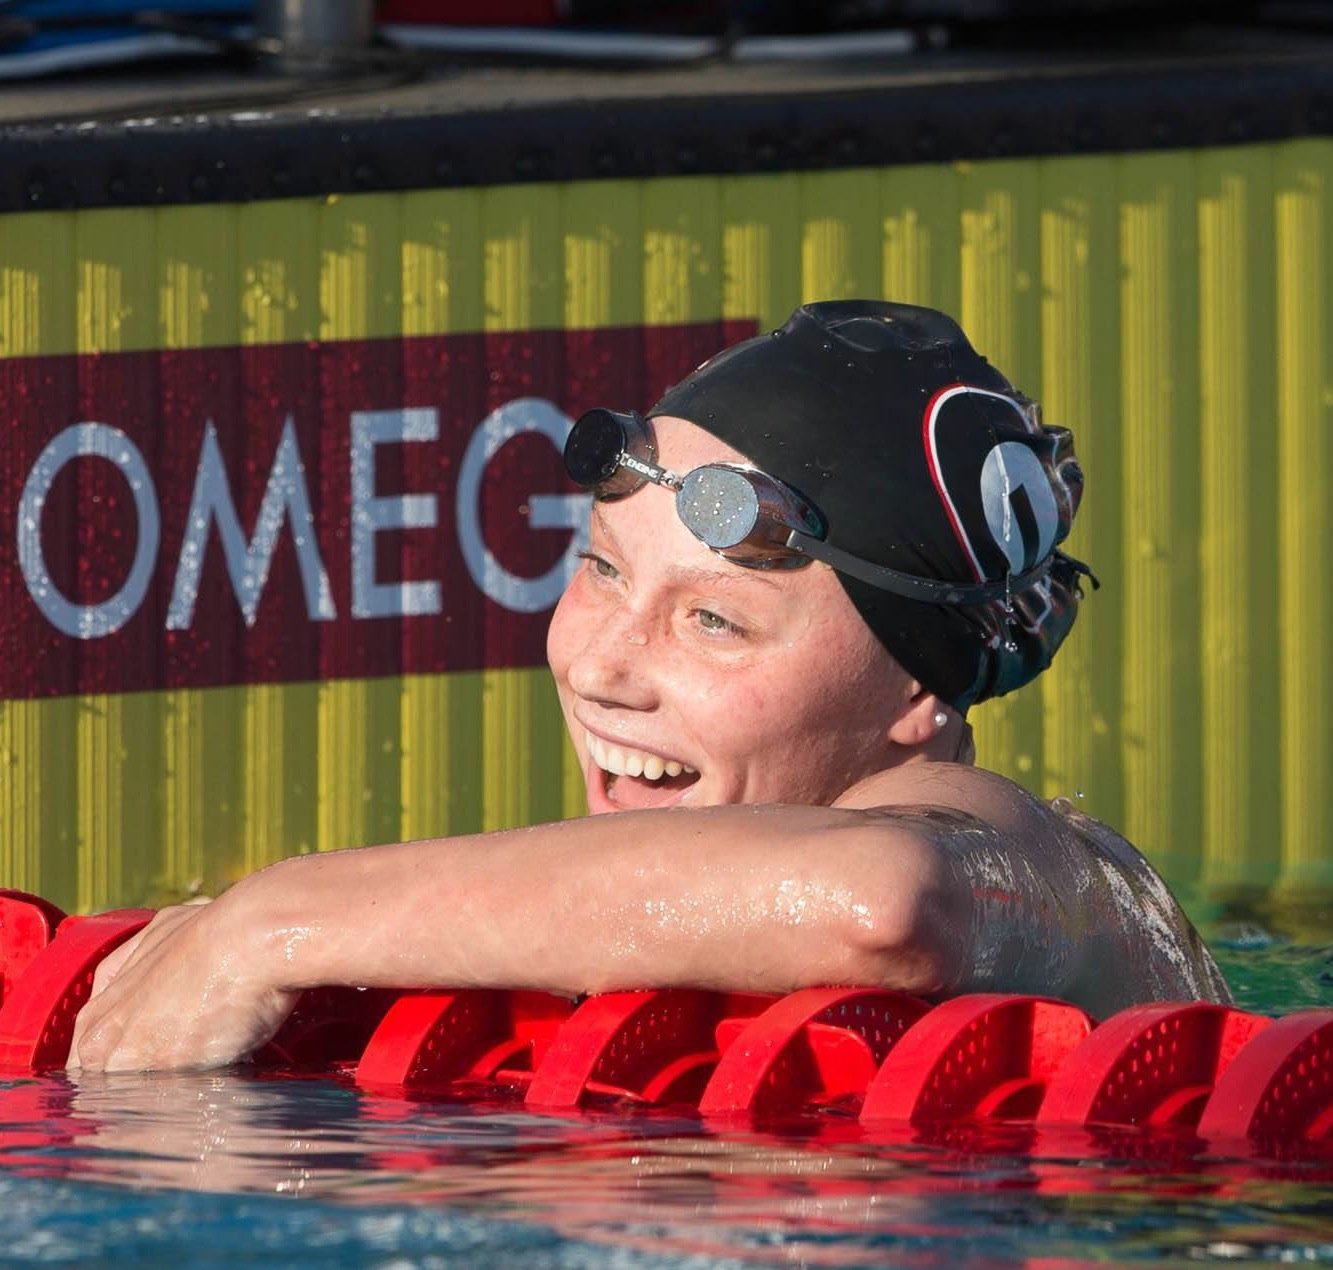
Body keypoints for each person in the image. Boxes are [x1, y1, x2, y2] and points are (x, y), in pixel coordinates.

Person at [67, 300, 1229, 1073]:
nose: (605, 666)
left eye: (714, 619)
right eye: (600, 569)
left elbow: (882, 904)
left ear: (918, 691)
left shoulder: (1052, 876)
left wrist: (271, 922)